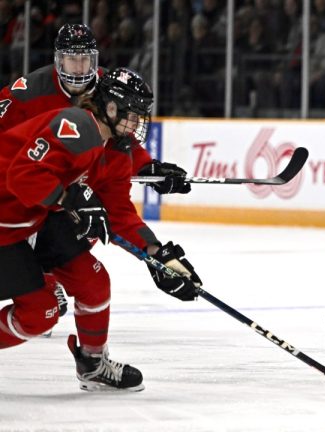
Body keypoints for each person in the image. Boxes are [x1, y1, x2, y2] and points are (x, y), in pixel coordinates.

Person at [0, 24, 191, 318]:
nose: (78, 69)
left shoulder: (108, 88)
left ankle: (49, 282)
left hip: (58, 190)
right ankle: (41, 282)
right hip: (23, 187)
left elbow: (120, 140)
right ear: (57, 60)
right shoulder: (26, 93)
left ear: (96, 60)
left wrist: (147, 166)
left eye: (85, 60)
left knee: (89, 219)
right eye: (71, 60)